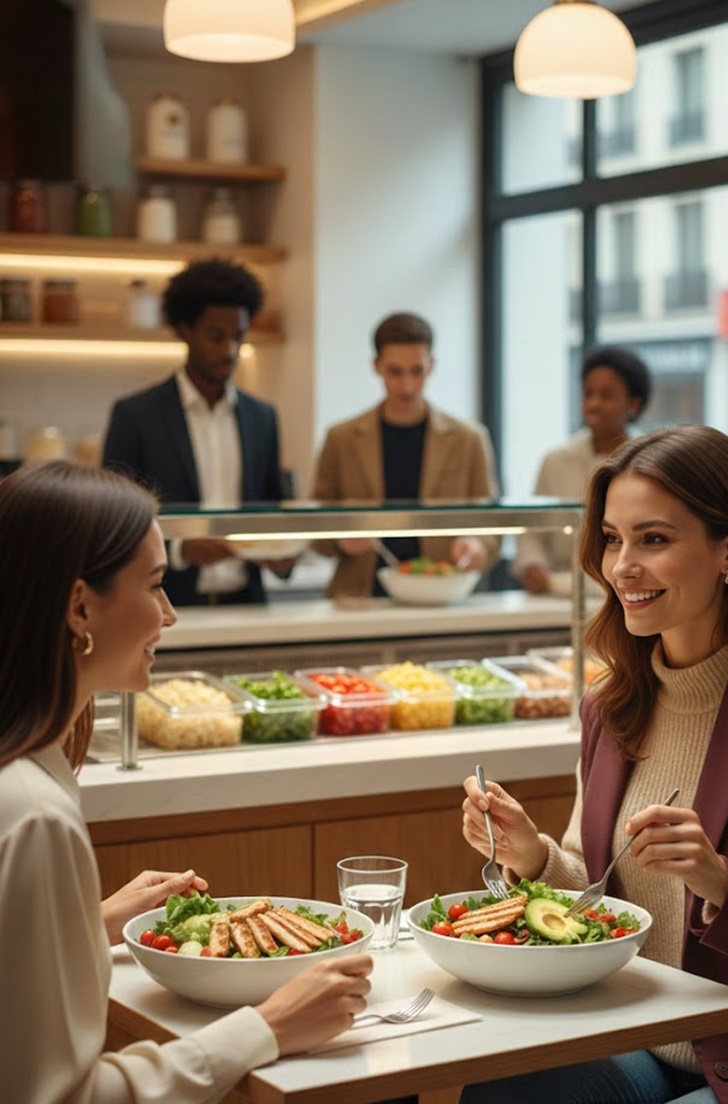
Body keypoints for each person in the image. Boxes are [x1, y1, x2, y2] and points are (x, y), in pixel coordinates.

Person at [460, 424, 728, 1104]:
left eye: (654, 539)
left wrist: (722, 882)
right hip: (639, 1036)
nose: (621, 566)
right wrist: (537, 859)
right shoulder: (611, 706)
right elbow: (604, 899)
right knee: (498, 1084)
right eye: (612, 538)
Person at [0, 461, 373, 1103]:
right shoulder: (34, 815)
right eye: (154, 586)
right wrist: (265, 1027)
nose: (169, 615)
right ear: (80, 606)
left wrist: (91, 923)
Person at [102, 257, 294, 607]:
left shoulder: (262, 417)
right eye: (216, 336)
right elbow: (113, 526)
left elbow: (272, 509)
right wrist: (180, 550)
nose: (229, 351)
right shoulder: (135, 416)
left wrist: (282, 555)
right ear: (184, 330)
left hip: (248, 605)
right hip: (164, 608)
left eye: (238, 337)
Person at [310, 311, 500, 598]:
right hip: (359, 596)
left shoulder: (468, 440)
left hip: (442, 593)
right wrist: (340, 540)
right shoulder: (341, 438)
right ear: (377, 367)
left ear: (431, 366)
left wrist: (477, 545)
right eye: (395, 372)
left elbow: (492, 525)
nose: (407, 385)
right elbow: (315, 525)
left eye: (417, 371)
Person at [514, 344, 652, 594]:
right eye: (588, 393)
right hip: (556, 600)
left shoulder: (653, 464)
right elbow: (532, 531)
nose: (594, 404)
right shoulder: (556, 461)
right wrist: (532, 564)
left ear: (633, 403)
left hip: (632, 594)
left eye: (607, 395)